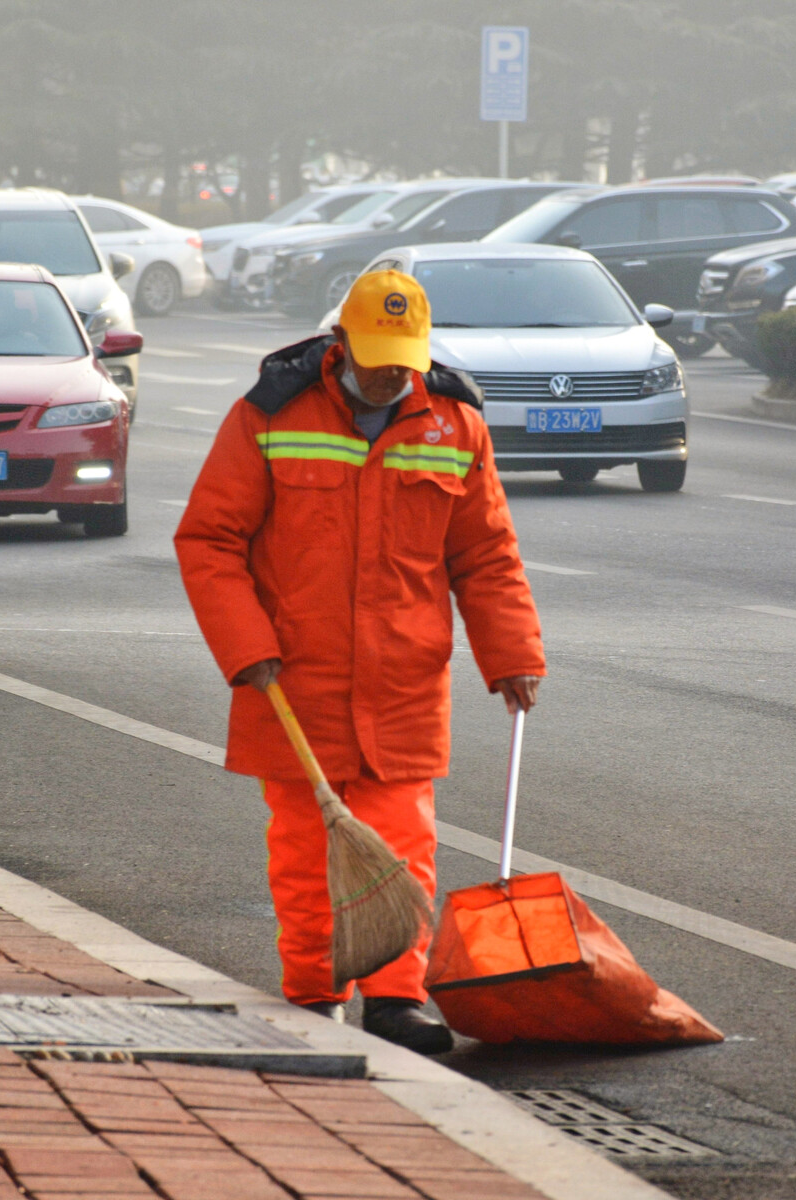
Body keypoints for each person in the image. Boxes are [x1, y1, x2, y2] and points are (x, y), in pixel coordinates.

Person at [174, 270, 545, 1054]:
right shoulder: (268, 415)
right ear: (338, 344)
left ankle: (394, 1000)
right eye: (373, 356)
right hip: (292, 678)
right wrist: (248, 649)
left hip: (404, 679)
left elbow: (484, 554)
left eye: (401, 358)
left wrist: (511, 653)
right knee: (308, 854)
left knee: (403, 846)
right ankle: (313, 993)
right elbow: (208, 540)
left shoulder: (455, 424)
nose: (388, 373)